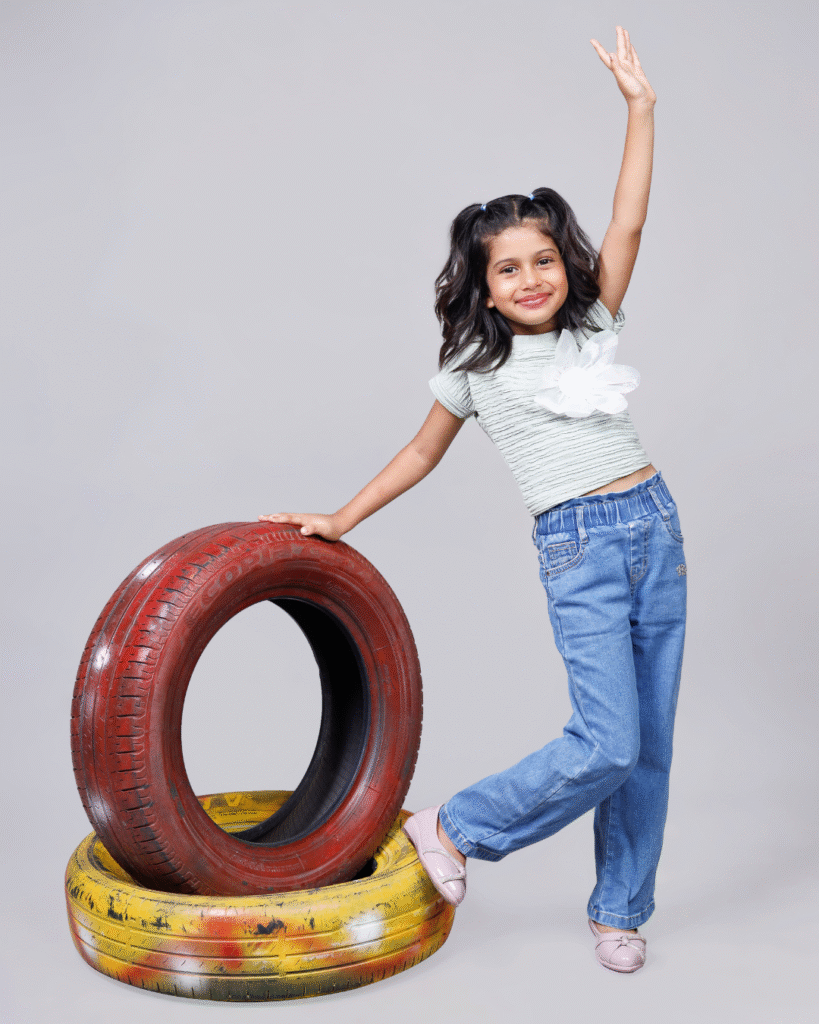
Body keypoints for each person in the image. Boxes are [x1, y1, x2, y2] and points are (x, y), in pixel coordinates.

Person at [260, 26, 685, 975]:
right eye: (509, 269)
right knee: (606, 741)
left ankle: (620, 908)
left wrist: (640, 110)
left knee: (647, 748)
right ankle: (455, 826)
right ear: (485, 290)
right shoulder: (472, 367)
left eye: (544, 260)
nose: (531, 279)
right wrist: (340, 518)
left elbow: (627, 225)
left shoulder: (592, 322)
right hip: (578, 546)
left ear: (565, 267)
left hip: (654, 528)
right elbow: (420, 452)